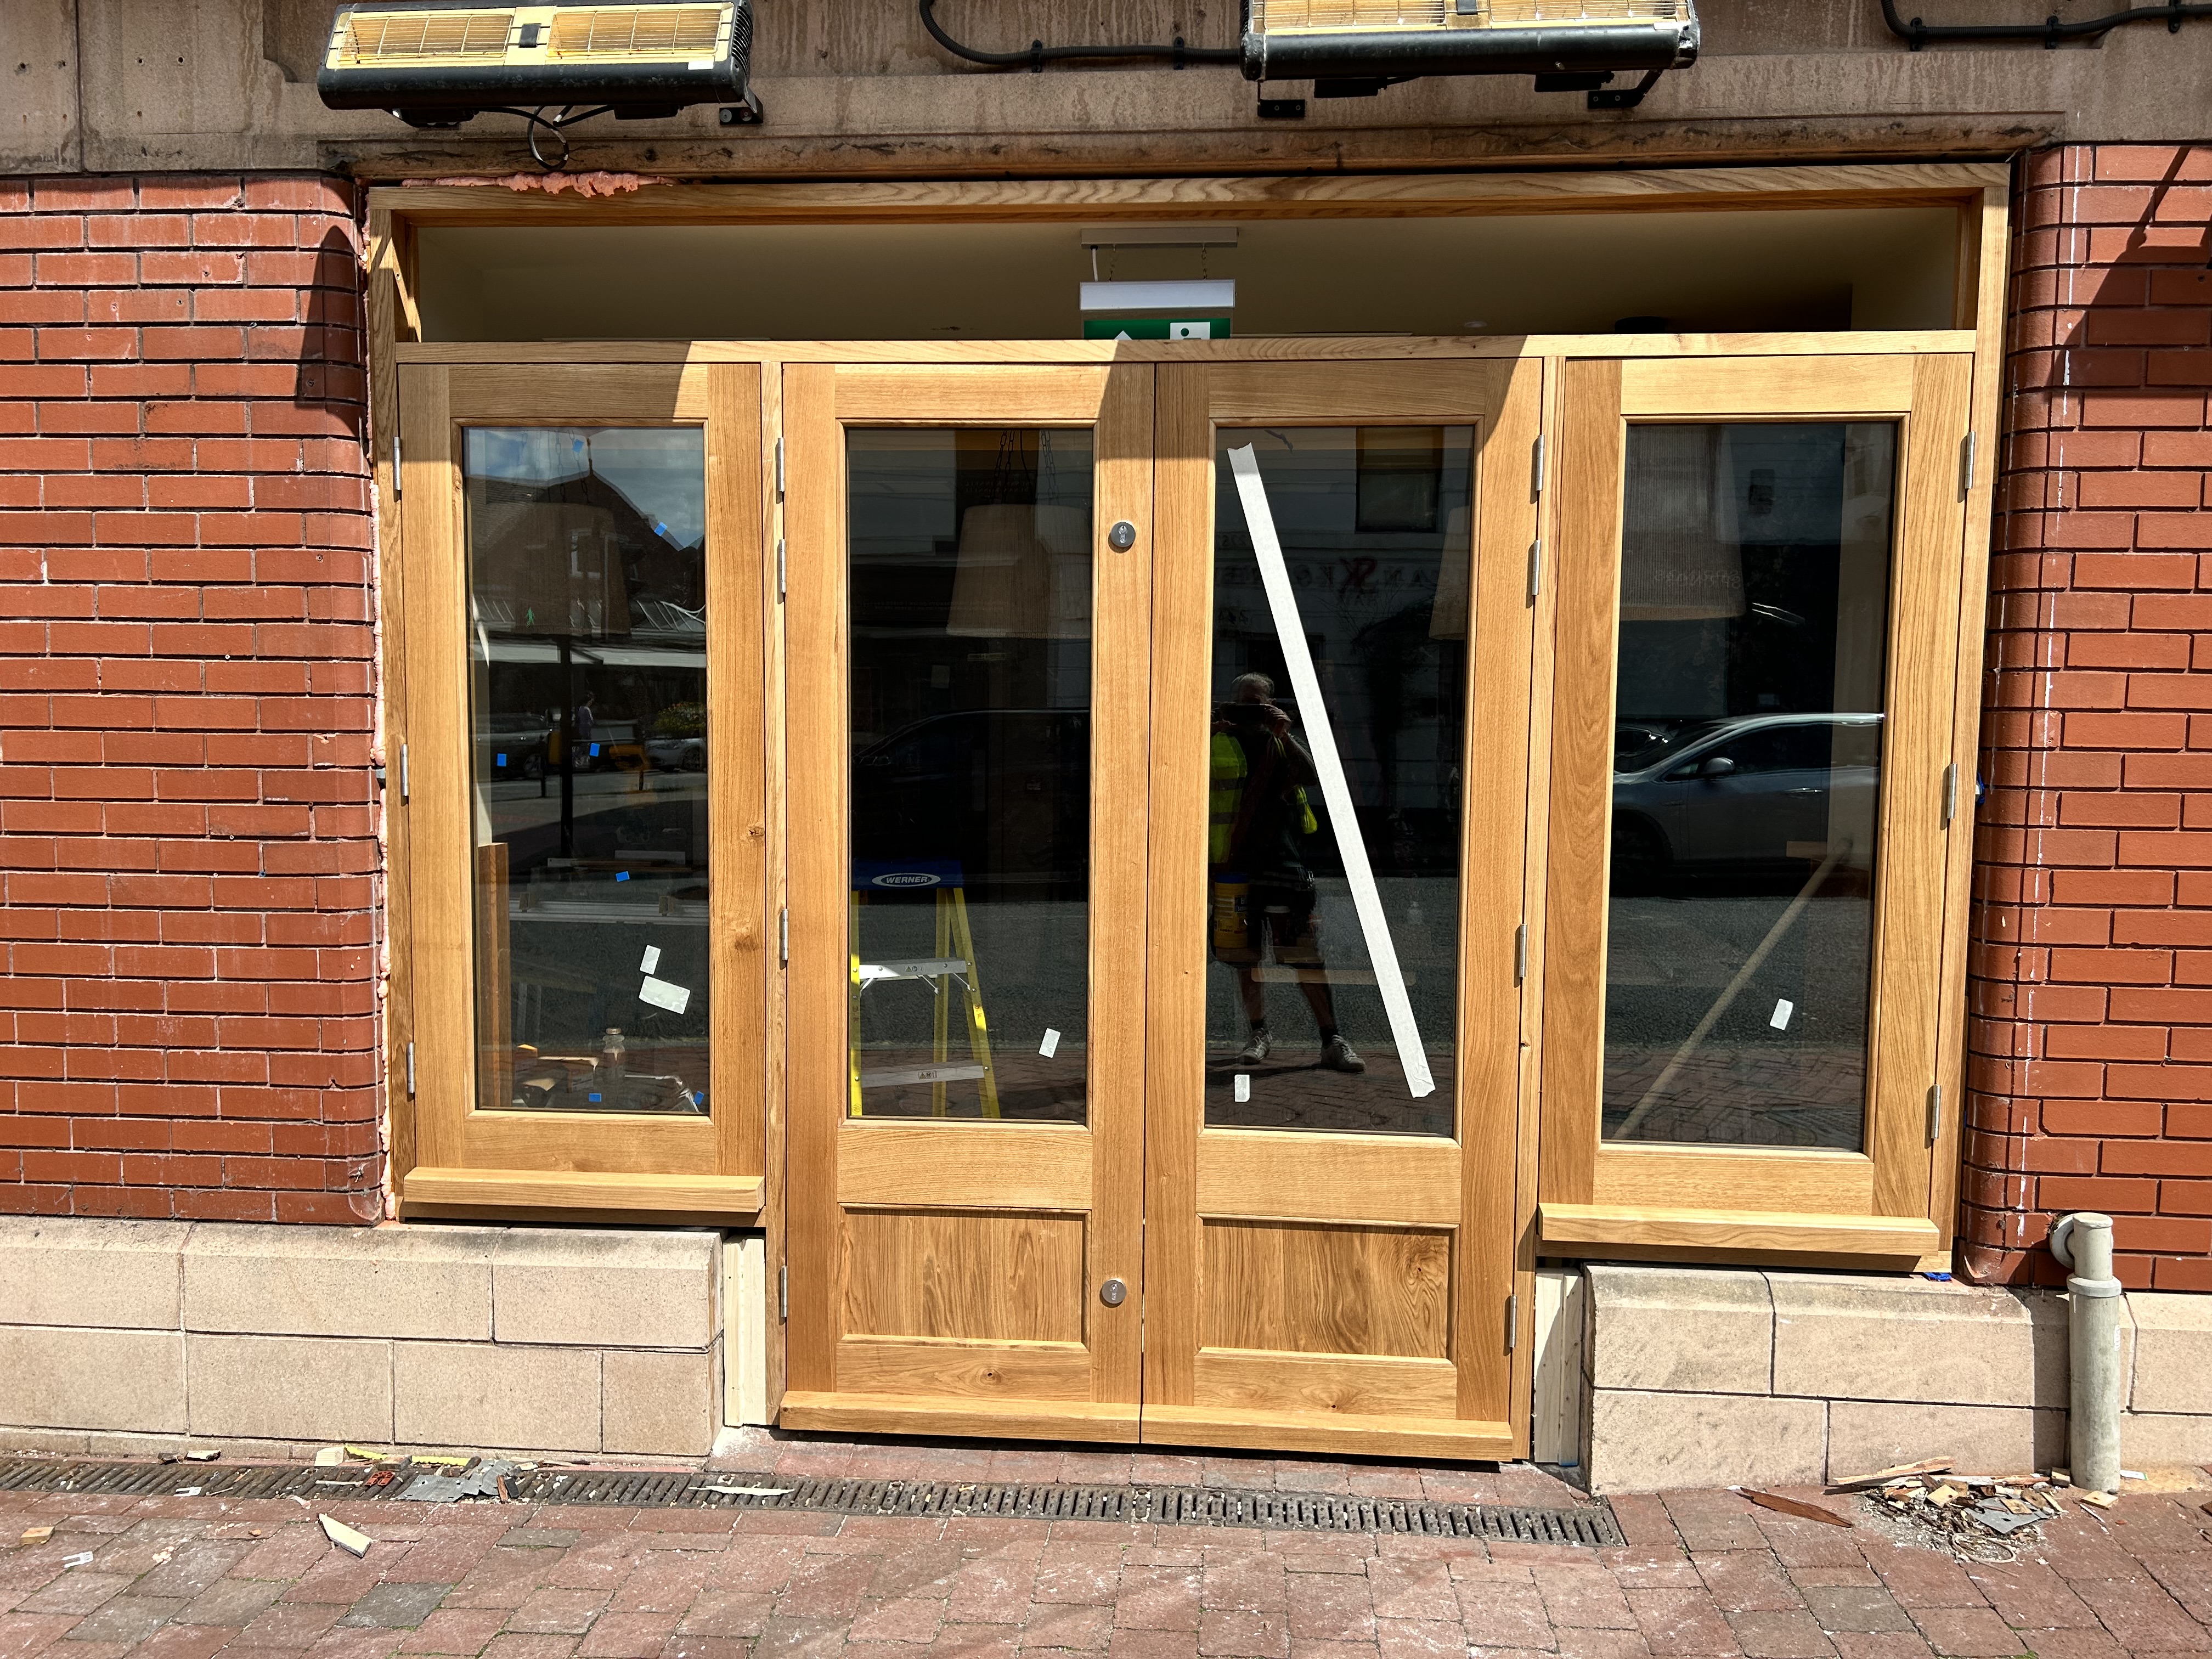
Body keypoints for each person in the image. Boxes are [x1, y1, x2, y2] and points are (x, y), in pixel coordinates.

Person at [1210, 672, 1364, 1074]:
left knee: (1304, 954)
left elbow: (1313, 776)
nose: (1249, 711)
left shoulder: (1279, 743)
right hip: (1234, 867)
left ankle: (1331, 1038)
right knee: (1245, 957)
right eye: (1243, 703)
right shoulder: (1216, 740)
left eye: (1257, 704)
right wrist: (1206, 731)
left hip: (1283, 864)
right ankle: (1258, 1033)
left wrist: (1285, 734)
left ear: (1271, 705)